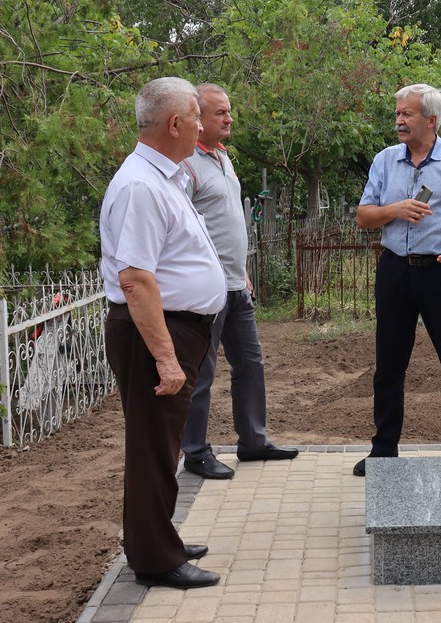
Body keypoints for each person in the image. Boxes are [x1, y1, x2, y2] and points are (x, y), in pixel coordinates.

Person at [100, 77, 227, 589]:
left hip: (174, 328)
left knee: (163, 442)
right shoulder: (141, 185)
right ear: (175, 123)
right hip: (155, 332)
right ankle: (154, 559)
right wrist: (166, 357)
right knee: (152, 447)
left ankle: (158, 538)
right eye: (196, 117)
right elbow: (135, 278)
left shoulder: (163, 177)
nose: (201, 126)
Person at [352, 83, 441, 477]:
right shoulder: (384, 161)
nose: (399, 120)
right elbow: (363, 216)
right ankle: (383, 452)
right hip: (395, 270)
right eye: (397, 113)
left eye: (407, 114)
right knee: (388, 367)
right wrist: (395, 210)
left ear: (431, 120)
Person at [180, 83, 298, 480]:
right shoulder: (187, 165)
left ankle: (253, 442)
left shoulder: (223, 158)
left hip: (235, 284)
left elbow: (226, 223)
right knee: (202, 373)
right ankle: (195, 453)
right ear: (198, 120)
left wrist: (241, 269)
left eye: (229, 111)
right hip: (205, 290)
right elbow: (182, 229)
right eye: (220, 113)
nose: (229, 118)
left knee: (250, 363)